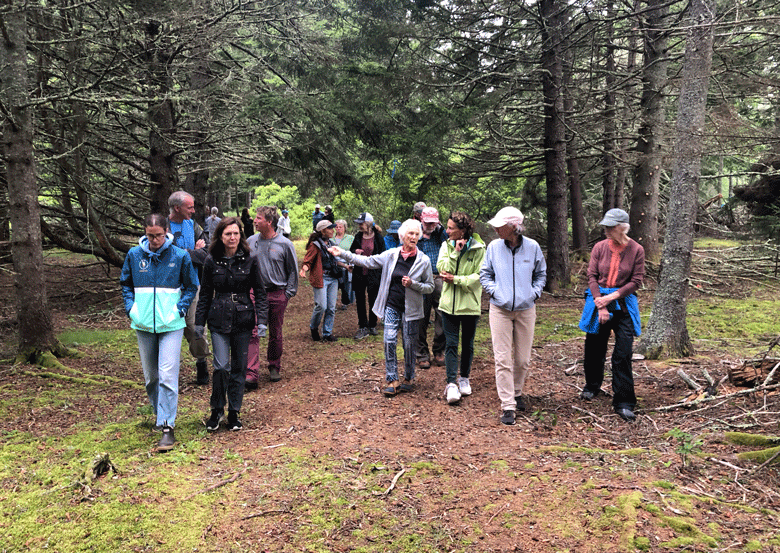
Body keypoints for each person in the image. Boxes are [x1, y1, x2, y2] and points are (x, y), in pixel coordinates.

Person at [121, 214, 199, 452]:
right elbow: (126, 284)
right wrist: (131, 309)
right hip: (143, 323)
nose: (155, 240)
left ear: (167, 232)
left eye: (159, 235)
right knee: (151, 378)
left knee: (167, 374)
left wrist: (181, 308)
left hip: (171, 324)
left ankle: (167, 426)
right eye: (150, 235)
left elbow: (191, 285)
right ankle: (159, 413)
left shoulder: (180, 256)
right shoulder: (134, 256)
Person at [329, 219, 433, 397]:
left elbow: (429, 286)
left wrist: (414, 284)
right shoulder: (391, 254)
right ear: (402, 236)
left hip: (411, 310)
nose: (414, 237)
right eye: (410, 234)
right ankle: (392, 379)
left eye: (416, 234)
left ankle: (408, 377)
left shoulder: (424, 260)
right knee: (389, 340)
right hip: (391, 305)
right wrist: (344, 254)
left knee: (409, 344)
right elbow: (367, 261)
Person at [195, 217, 266, 432]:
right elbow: (205, 293)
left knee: (239, 368)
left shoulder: (250, 258)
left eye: (236, 233)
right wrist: (199, 322)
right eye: (228, 234)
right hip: (218, 317)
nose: (232, 237)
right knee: (221, 366)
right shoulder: (211, 260)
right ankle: (217, 410)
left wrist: (262, 320)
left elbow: (260, 292)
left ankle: (234, 412)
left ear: (240, 235)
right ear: (220, 236)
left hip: (244, 318)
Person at [479, 206, 546, 426]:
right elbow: (485, 274)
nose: (496, 229)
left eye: (500, 225)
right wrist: (496, 292)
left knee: (523, 359)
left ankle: (517, 392)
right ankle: (507, 405)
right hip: (500, 309)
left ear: (513, 227)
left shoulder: (533, 247)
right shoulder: (493, 248)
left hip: (526, 309)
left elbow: (541, 274)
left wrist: (534, 293)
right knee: (502, 358)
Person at [578, 208, 645, 422]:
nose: (606, 230)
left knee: (623, 352)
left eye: (610, 226)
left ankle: (624, 401)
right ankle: (592, 385)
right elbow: (592, 275)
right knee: (594, 347)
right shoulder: (599, 247)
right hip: (598, 301)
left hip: (624, 305)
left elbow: (636, 281)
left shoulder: (637, 250)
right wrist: (601, 304)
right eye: (606, 226)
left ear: (622, 227)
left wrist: (612, 298)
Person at [246, 206, 299, 387]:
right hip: (255, 293)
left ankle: (274, 366)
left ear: (269, 222)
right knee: (252, 330)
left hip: (277, 293)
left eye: (259, 218)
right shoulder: (251, 241)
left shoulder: (285, 244)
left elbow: (293, 270)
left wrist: (288, 293)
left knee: (275, 332)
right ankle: (251, 373)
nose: (255, 220)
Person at [437, 211, 486, 405]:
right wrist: (456, 253)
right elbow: (442, 267)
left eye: (451, 228)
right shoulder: (446, 246)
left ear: (462, 230)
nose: (447, 231)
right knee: (450, 343)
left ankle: (464, 378)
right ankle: (451, 383)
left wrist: (456, 279)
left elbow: (479, 277)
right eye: (447, 227)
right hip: (449, 305)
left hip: (470, 305)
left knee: (468, 344)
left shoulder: (479, 248)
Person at [168, 191, 211, 385]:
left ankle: (201, 362)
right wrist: (192, 250)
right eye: (190, 207)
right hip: (167, 289)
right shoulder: (162, 226)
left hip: (193, 285)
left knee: (194, 326)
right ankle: (168, 370)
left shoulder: (193, 225)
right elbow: (164, 255)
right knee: (171, 328)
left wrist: (187, 252)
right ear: (177, 208)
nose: (194, 211)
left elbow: (206, 252)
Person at [300, 220, 340, 342]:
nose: (333, 230)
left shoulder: (331, 243)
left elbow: (335, 260)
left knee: (331, 308)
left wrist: (346, 267)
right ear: (323, 230)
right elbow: (308, 260)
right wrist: (304, 270)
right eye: (330, 228)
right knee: (321, 306)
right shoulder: (315, 245)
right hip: (321, 278)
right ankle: (314, 327)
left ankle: (327, 333)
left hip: (333, 278)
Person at [417, 206, 447, 369]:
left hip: (438, 277)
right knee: (421, 316)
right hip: (421, 279)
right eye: (427, 222)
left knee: (442, 313)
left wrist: (440, 228)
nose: (430, 226)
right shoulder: (415, 233)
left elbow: (450, 241)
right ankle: (422, 353)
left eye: (433, 223)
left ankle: (439, 350)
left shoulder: (441, 233)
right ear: (422, 220)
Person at [350, 212, 385, 340]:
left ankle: (372, 324)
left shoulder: (378, 237)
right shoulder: (358, 236)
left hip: (373, 274)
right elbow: (351, 250)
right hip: (359, 273)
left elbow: (383, 255)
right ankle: (362, 326)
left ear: (369, 224)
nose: (359, 225)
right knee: (360, 299)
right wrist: (356, 251)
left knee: (373, 299)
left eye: (362, 223)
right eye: (359, 223)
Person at [333, 219, 355, 309]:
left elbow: (353, 251)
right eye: (336, 227)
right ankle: (332, 302)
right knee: (334, 284)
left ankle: (345, 302)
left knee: (346, 284)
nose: (338, 229)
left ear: (345, 228)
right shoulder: (331, 238)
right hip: (334, 264)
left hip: (346, 264)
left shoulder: (350, 238)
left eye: (340, 227)